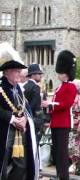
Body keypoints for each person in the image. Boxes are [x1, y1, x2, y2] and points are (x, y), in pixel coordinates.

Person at [0, 42, 39, 179]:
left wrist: (25, 120)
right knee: (2, 164)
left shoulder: (19, 90)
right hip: (5, 132)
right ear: (7, 72)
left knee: (21, 165)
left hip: (20, 131)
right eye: (16, 71)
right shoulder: (1, 88)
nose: (20, 74)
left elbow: (26, 109)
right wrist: (12, 119)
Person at [41, 50, 77, 180]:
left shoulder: (70, 87)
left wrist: (50, 105)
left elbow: (65, 104)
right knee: (57, 152)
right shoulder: (60, 87)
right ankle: (59, 175)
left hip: (63, 123)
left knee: (62, 153)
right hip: (56, 123)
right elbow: (58, 103)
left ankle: (64, 177)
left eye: (60, 73)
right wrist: (49, 105)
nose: (58, 75)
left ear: (66, 74)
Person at [23, 63, 44, 144]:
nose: (40, 76)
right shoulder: (36, 87)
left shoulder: (25, 86)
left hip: (26, 118)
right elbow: (34, 105)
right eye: (39, 74)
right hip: (34, 119)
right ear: (33, 75)